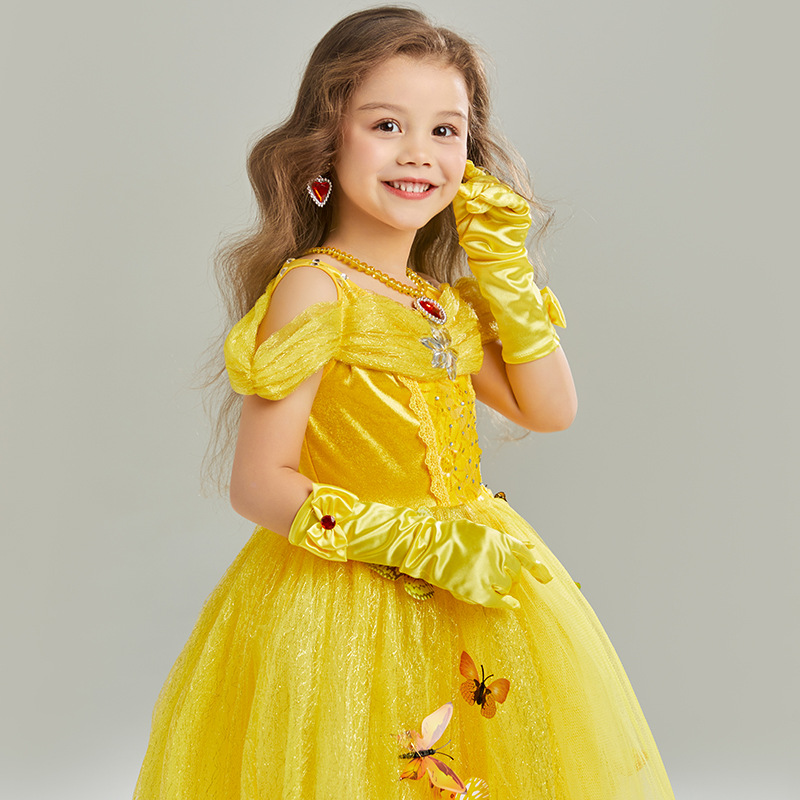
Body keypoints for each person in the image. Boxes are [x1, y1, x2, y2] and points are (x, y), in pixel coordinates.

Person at [133, 7, 675, 799]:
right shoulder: (316, 290)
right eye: (387, 125)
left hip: (471, 580)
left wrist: (508, 275)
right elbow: (257, 483)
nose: (418, 152)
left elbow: (550, 408)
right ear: (328, 140)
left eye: (445, 131)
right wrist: (416, 542)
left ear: (469, 154)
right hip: (347, 596)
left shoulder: (438, 301)